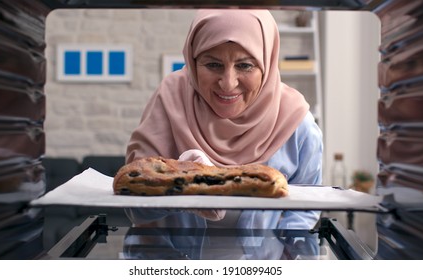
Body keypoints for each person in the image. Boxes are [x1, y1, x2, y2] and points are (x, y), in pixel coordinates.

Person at [124, 9, 323, 233]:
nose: (228, 84)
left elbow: (305, 212)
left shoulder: (297, 123)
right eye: (213, 65)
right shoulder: (169, 100)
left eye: (245, 65)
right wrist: (181, 185)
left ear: (267, 63)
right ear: (193, 60)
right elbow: (134, 206)